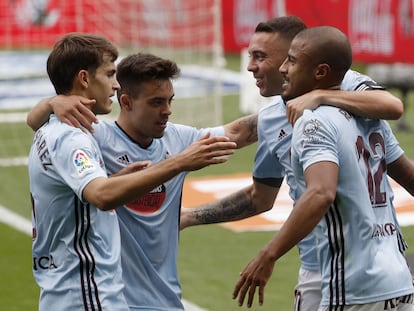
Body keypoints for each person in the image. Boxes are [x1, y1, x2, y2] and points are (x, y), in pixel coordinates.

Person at [180, 16, 408, 310]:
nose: (250, 66)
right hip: (389, 274)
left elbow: (321, 192)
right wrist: (189, 216)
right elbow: (259, 197)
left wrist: (268, 254)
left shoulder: (335, 102)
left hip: (342, 275)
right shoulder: (276, 118)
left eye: (262, 57)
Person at [27, 52, 258, 310]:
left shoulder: (178, 139)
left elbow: (238, 132)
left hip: (166, 300)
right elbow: (44, 127)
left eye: (170, 101)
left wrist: (296, 103)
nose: (167, 111)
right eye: (156, 102)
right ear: (126, 102)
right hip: (110, 298)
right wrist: (52, 103)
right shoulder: (95, 138)